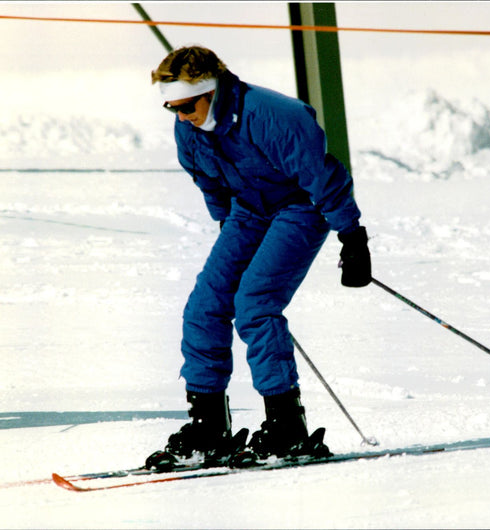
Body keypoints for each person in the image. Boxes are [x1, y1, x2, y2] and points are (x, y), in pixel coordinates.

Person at [146, 46, 371, 467]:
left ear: (210, 91)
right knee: (204, 306)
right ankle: (208, 426)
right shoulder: (190, 129)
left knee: (254, 303)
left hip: (301, 207)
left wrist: (352, 236)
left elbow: (322, 176)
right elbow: (208, 181)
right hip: (247, 212)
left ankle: (287, 426)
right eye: (170, 108)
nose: (180, 117)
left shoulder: (272, 115)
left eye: (187, 106)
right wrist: (226, 226)